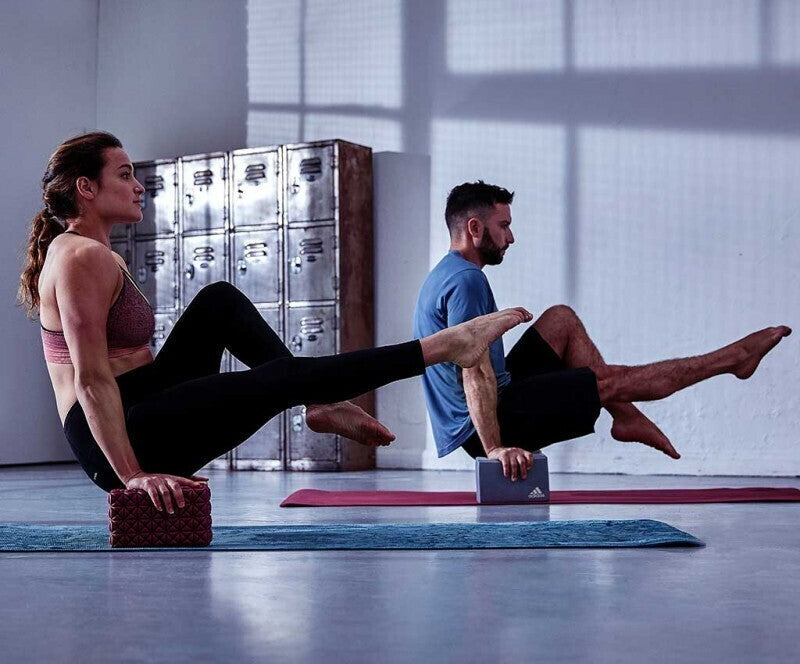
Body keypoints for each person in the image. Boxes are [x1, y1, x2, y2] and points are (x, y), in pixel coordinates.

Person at [20, 133, 532, 512]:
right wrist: (132, 476)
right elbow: (91, 379)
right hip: (116, 439)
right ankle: (442, 347)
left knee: (219, 301)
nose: (138, 186)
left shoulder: (98, 254)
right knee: (277, 381)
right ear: (86, 188)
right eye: (124, 174)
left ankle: (316, 400)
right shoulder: (79, 257)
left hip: (141, 405)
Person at [414, 181, 791, 481]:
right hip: (484, 425)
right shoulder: (467, 282)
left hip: (495, 398)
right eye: (504, 226)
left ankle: (624, 416)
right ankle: (733, 359)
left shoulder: (449, 273)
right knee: (609, 381)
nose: (510, 237)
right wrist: (495, 449)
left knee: (560, 319)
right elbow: (474, 373)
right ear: (475, 227)